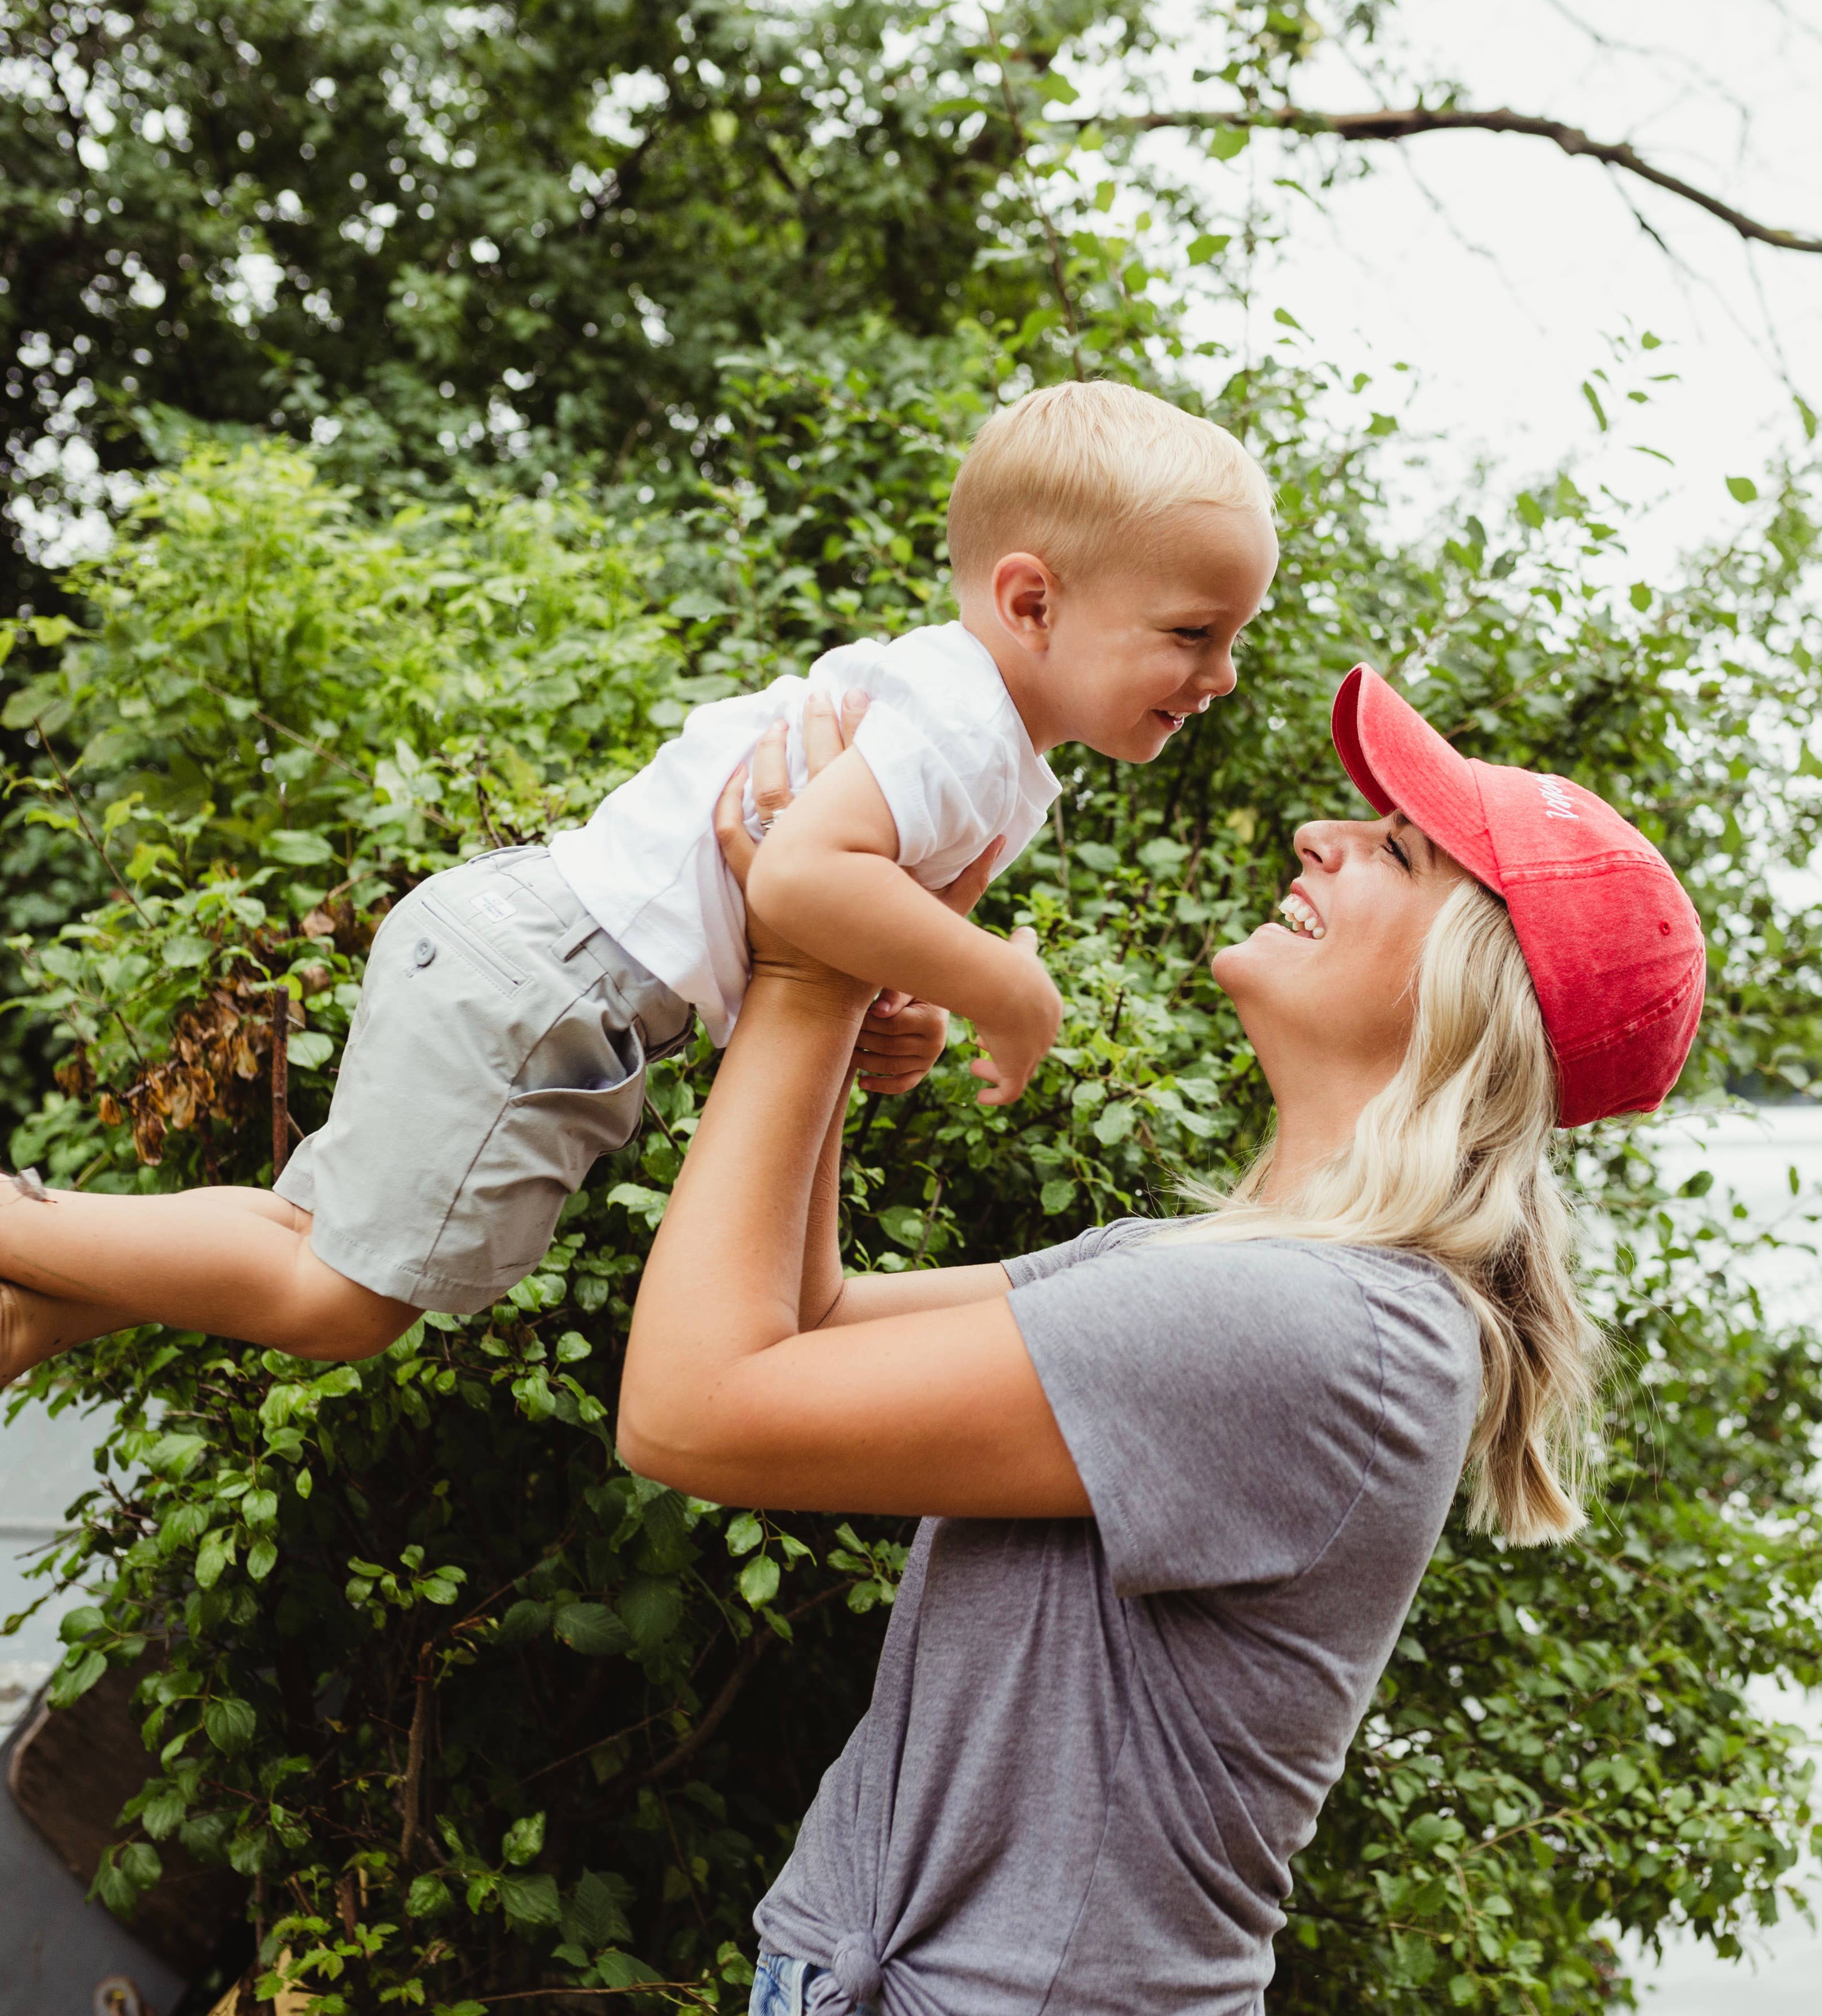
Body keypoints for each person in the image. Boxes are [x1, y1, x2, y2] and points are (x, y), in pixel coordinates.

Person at [0, 381, 1278, 1549]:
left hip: (530, 962)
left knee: (296, 1233)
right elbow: (805, 876)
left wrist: (905, 1009)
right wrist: (1002, 984)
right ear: (1030, 601)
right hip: (549, 988)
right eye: (1191, 632)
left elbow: (836, 922)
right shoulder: (960, 726)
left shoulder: (981, 742)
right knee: (339, 1300)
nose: (1217, 675)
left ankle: (0, 1305)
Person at [616, 666, 1706, 2016]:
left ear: (1469, 987)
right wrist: (842, 987)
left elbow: (689, 1409)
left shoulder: (1308, 1328)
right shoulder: (1245, 1283)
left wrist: (799, 953)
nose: (1323, 834)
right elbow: (805, 1326)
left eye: (1397, 849)